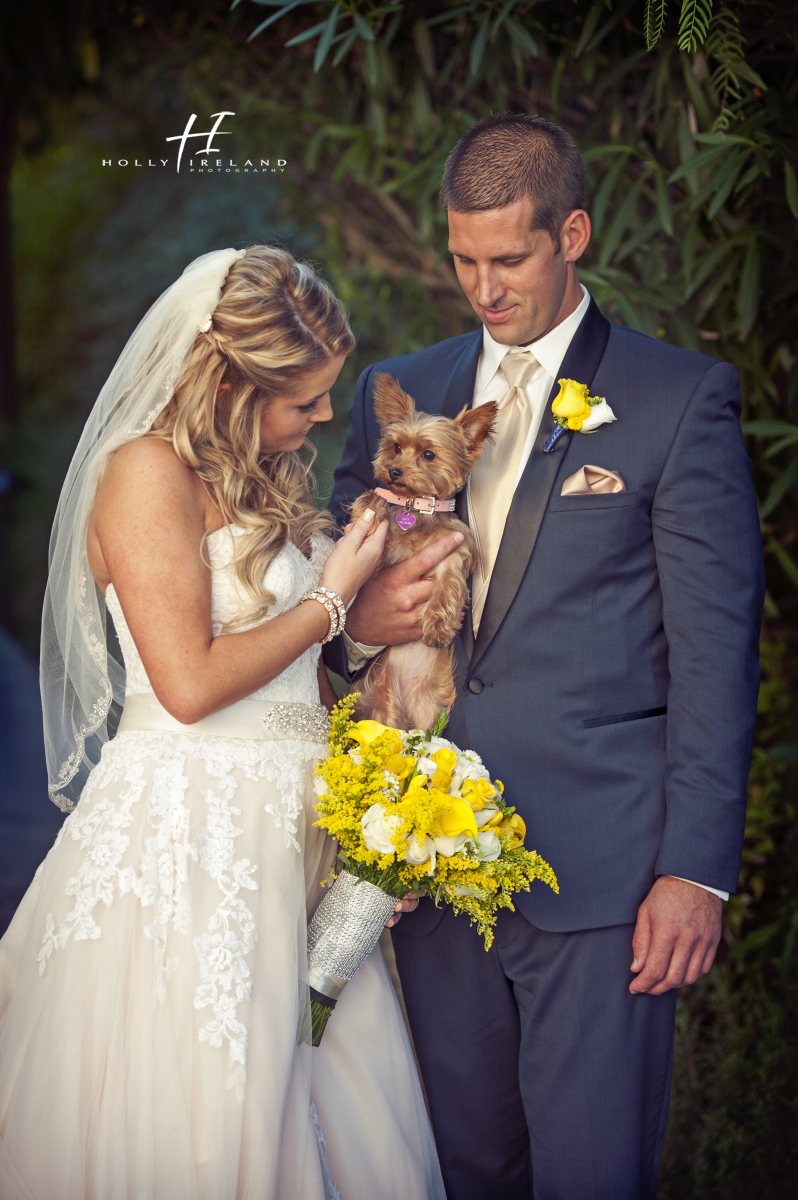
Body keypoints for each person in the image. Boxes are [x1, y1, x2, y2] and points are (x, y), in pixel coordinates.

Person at [326, 114, 765, 1199]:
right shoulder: (400, 392)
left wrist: (695, 870)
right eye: (464, 259)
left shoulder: (677, 399)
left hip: (602, 869)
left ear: (571, 232)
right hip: (423, 866)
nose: (485, 287)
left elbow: (716, 650)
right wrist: (359, 644)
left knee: (591, 1172)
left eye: (510, 258)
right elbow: (332, 610)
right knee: (467, 1169)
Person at [0, 246, 445, 1200]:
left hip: (296, 834)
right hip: (189, 839)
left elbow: (294, 678)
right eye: (304, 401)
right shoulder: (143, 475)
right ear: (232, 385)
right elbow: (190, 684)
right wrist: (332, 601)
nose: (327, 417)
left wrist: (375, 818)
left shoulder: (265, 475)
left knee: (322, 1094)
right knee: (203, 1101)